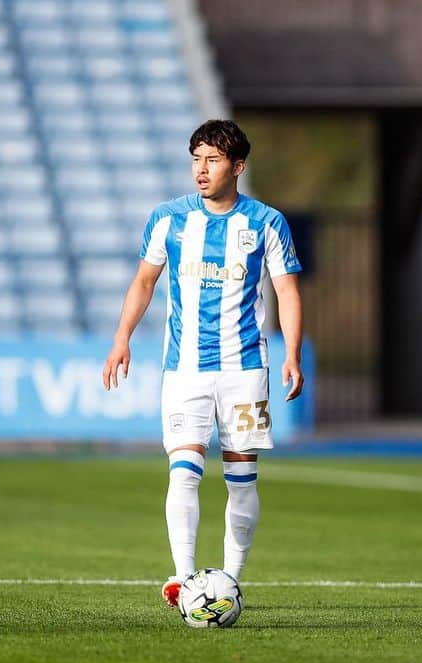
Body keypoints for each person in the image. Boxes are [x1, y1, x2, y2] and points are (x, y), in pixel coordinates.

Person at [101, 119, 304, 607]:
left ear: (238, 166)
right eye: (196, 159)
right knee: (184, 470)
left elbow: (287, 290)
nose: (201, 169)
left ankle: (230, 581)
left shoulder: (266, 223)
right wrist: (121, 338)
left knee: (241, 478)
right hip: (184, 369)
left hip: (245, 370)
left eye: (212, 160)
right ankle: (185, 578)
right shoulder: (168, 219)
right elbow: (144, 281)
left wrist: (292, 351)